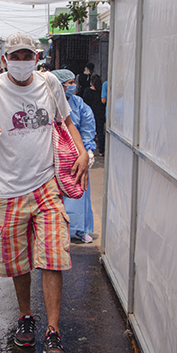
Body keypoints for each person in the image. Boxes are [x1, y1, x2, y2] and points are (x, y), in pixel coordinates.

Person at [0, 32, 89, 353]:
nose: (20, 62)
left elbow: (67, 121)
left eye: (26, 56)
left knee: (54, 258)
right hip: (8, 190)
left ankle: (53, 330)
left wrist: (83, 151)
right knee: (18, 263)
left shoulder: (49, 84)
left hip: (46, 186)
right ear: (5, 60)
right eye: (14, 56)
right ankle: (26, 316)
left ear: (36, 58)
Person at [52, 69, 96, 243]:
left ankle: (79, 228)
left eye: (73, 82)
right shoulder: (49, 102)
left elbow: (87, 126)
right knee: (54, 192)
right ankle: (54, 228)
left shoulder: (78, 104)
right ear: (59, 85)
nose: (73, 86)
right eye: (68, 83)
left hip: (76, 154)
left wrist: (88, 149)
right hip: (54, 154)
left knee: (79, 189)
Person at [83, 74, 106, 157]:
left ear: (91, 82)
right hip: (100, 113)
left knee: (89, 131)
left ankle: (90, 149)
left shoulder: (87, 91)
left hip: (90, 113)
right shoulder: (101, 90)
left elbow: (85, 102)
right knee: (100, 131)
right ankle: (101, 151)